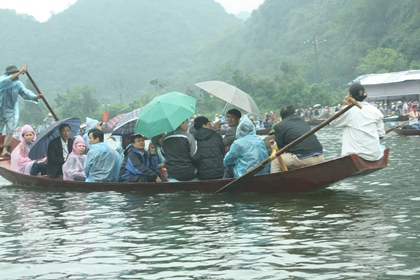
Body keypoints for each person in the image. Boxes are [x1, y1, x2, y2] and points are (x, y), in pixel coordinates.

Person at [330, 83, 385, 161]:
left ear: (350, 96)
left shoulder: (348, 110)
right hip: (375, 156)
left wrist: (344, 106)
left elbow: (332, 122)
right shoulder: (375, 110)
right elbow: (381, 134)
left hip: (356, 156)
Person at [0, 65, 44, 158]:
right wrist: (20, 72)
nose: (15, 75)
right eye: (13, 73)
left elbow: (25, 93)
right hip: (0, 109)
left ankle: (5, 149)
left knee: (10, 129)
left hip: (10, 111)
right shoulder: (3, 80)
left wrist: (36, 97)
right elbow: (8, 80)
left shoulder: (18, 84)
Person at [271, 106, 324, 173]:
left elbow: (279, 149)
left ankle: (275, 182)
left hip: (303, 158)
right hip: (320, 156)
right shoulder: (303, 121)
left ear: (281, 117)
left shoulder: (279, 126)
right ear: (294, 113)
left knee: (276, 161)